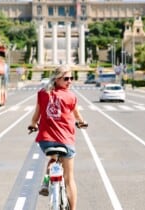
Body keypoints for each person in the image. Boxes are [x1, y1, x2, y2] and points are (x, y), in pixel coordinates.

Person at [28, 65, 87, 210]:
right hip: (66, 141)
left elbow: (37, 115)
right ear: (57, 79)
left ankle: (45, 182)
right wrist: (82, 122)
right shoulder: (70, 96)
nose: (70, 81)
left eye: (71, 78)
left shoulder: (42, 93)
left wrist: (33, 124)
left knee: (53, 159)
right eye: (66, 78)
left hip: (45, 141)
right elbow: (77, 116)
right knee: (69, 178)